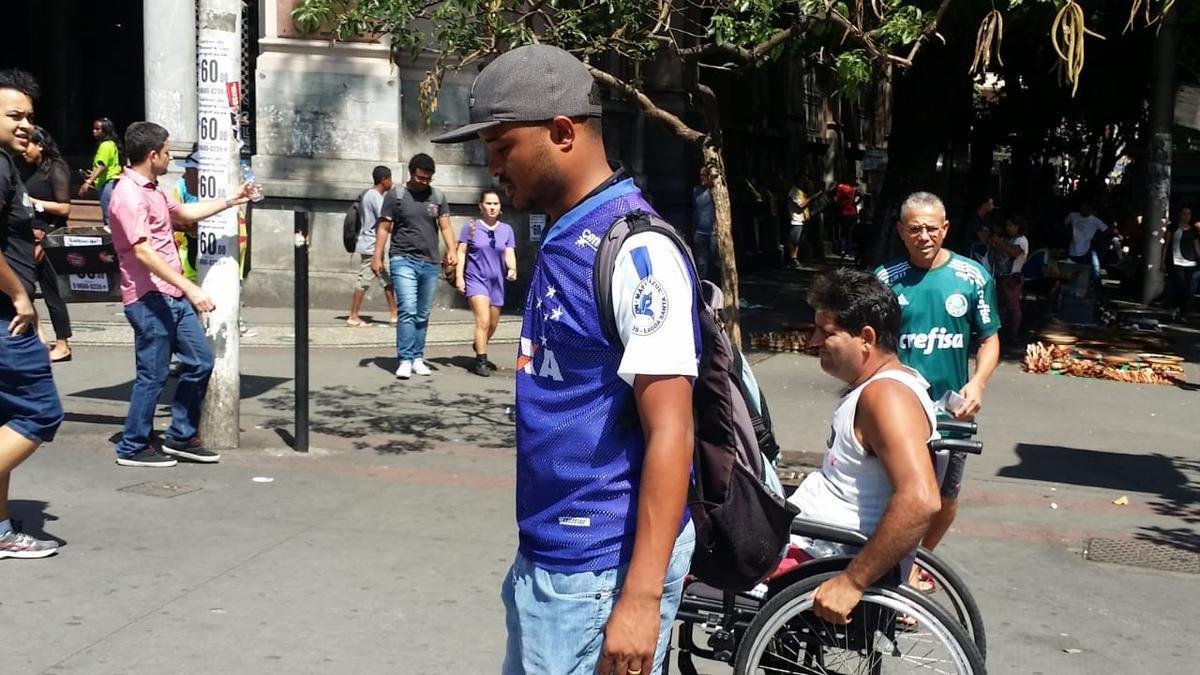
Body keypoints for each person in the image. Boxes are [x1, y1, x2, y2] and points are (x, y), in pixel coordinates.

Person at [432, 44, 699, 675]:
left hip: (601, 570)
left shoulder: (638, 255)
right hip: (551, 559)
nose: (493, 168)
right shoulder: (563, 232)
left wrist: (640, 600)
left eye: (502, 147)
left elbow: (672, 430)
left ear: (561, 133)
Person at [787, 267, 941, 624]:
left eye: (827, 332)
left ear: (866, 338)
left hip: (821, 556)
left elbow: (921, 498)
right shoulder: (884, 386)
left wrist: (853, 582)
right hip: (817, 542)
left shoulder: (885, 396)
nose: (813, 342)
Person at [108, 121, 255, 468]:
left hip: (172, 296)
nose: (170, 158)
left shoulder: (154, 190)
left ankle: (181, 435)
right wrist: (191, 287)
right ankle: (132, 445)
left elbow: (185, 213)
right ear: (152, 155)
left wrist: (231, 199)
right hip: (148, 298)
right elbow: (143, 252)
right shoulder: (128, 195)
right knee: (153, 375)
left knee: (200, 361)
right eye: (167, 151)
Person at [874, 191, 999, 591]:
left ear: (945, 229)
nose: (923, 236)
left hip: (950, 414)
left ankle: (918, 558)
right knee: (899, 492)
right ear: (901, 231)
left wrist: (977, 382)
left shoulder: (973, 277)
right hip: (897, 411)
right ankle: (893, 567)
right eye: (914, 229)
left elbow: (990, 338)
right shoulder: (884, 280)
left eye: (931, 228)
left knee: (945, 498)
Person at [0, 69, 63, 559]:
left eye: (29, 117)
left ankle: (1, 530)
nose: (26, 125)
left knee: (6, 418)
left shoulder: (8, 165)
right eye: (13, 115)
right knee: (40, 411)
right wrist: (22, 297)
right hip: (8, 318)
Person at [371, 153, 456, 380]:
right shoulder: (396, 195)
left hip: (430, 261)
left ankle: (418, 357)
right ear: (411, 173)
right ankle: (405, 359)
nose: (424, 182)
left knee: (422, 312)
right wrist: (377, 257)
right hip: (402, 258)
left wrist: (452, 249)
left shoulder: (437, 197)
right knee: (407, 309)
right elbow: (384, 228)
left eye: (428, 178)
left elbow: (446, 227)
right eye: (420, 178)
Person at [21, 126, 73, 361]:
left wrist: (33, 201)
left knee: (52, 292)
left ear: (40, 145)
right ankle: (39, 339)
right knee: (23, 289)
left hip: (48, 238)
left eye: (28, 144)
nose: (24, 150)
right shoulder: (31, 168)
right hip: (29, 236)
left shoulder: (56, 168)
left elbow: (64, 208)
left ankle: (62, 344)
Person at [455, 189, 516, 377]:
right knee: (483, 320)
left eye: (495, 204)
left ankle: (479, 343)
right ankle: (481, 360)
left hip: (497, 282)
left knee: (493, 324)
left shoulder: (506, 229)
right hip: (476, 279)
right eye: (488, 203)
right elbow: (461, 252)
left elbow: (509, 252)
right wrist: (459, 277)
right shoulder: (471, 227)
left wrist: (512, 269)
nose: (492, 207)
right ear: (481, 206)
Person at [347, 165, 397, 328]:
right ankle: (353, 316)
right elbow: (385, 222)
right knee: (364, 280)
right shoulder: (376, 198)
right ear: (384, 180)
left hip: (371, 244)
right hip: (372, 245)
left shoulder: (368, 194)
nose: (392, 183)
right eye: (390, 179)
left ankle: (394, 314)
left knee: (386, 280)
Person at [990, 215, 1029, 343]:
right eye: (1007, 225)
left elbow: (1014, 253)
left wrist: (999, 242)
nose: (1008, 228)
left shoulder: (1021, 240)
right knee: (1003, 306)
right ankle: (1003, 331)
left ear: (1018, 227)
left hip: (1013, 277)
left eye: (1011, 225)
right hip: (1002, 276)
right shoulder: (1009, 239)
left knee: (1013, 307)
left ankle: (1013, 333)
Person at [80, 117, 122, 226]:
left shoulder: (105, 145)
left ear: (105, 131)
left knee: (108, 218)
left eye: (97, 129)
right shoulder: (111, 144)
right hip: (108, 182)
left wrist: (88, 181)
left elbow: (102, 166)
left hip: (107, 183)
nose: (94, 131)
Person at [170, 151, 201, 283]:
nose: (184, 176)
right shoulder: (181, 186)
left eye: (188, 172)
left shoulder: (224, 198)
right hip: (187, 249)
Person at [1165, 206, 1199, 322]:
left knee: (1188, 289)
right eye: (1184, 213)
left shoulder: (1193, 230)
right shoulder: (1173, 227)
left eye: (1188, 214)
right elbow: (1167, 245)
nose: (1186, 216)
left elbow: (1196, 246)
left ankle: (1184, 312)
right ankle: (1174, 308)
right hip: (1177, 261)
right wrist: (1162, 260)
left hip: (1191, 262)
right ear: (1180, 214)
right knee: (1179, 286)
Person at [1064, 199, 1107, 279]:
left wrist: (1096, 237)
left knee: (1083, 273)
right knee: (1069, 272)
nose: (1084, 209)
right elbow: (1065, 224)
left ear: (1090, 208)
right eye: (1083, 206)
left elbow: (1106, 230)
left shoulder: (1095, 220)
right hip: (1072, 249)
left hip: (1085, 251)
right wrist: (1069, 234)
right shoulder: (1072, 215)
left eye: (1086, 207)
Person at [690, 166, 716, 282]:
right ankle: (703, 284)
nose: (701, 178)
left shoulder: (715, 192)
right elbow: (695, 210)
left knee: (716, 259)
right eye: (700, 175)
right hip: (700, 230)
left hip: (713, 231)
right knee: (701, 261)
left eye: (704, 175)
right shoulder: (696, 191)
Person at [785, 173, 813, 268]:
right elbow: (801, 205)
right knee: (793, 240)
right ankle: (792, 258)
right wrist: (811, 198)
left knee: (798, 241)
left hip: (802, 219)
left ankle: (795, 258)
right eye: (803, 180)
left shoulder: (801, 191)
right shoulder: (794, 191)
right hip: (796, 219)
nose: (804, 182)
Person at [833, 177, 858, 258]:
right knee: (850, 232)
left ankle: (842, 249)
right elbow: (857, 199)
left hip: (842, 213)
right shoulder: (853, 189)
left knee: (842, 232)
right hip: (852, 213)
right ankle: (849, 250)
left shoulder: (839, 187)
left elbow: (835, 199)